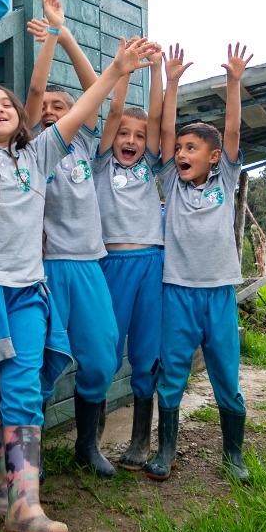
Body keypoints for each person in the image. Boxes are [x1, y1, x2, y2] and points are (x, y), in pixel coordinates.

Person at [0, 32, 154, 532]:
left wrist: (116, 70)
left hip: (26, 294)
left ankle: (26, 506)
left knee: (21, 391)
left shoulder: (39, 154)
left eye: (5, 103)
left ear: (22, 118)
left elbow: (84, 107)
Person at [23, 0, 122, 478]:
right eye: (45, 106)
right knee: (40, 365)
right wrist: (48, 45)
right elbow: (33, 96)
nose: (50, 110)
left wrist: (63, 35)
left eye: (61, 105)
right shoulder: (29, 148)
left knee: (101, 359)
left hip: (86, 265)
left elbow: (95, 87)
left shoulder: (83, 145)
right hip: (41, 270)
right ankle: (33, 456)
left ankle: (88, 444)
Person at [148, 41, 254, 484]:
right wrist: (170, 82)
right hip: (177, 292)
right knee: (172, 371)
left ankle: (234, 455)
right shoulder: (172, 183)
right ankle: (165, 450)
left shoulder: (224, 179)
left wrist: (233, 82)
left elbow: (232, 132)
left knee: (225, 373)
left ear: (213, 158)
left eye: (192, 148)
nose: (181, 154)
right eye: (179, 148)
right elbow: (165, 131)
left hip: (218, 293)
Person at [93, 43, 174, 471]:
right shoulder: (102, 164)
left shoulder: (150, 166)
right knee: (105, 350)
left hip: (151, 264)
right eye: (125, 134)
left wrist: (157, 69)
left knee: (146, 352)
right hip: (111, 264)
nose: (130, 141)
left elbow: (157, 119)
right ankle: (93, 439)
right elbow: (112, 113)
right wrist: (124, 70)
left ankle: (141, 439)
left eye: (138, 136)